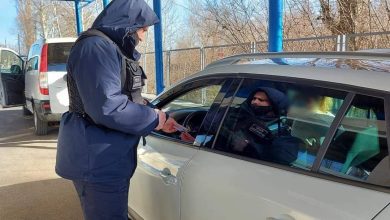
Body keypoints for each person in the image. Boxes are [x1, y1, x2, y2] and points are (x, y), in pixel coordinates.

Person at [55, 0, 178, 219]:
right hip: (96, 161)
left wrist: (161, 118)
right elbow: (108, 107)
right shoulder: (96, 48)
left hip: (105, 157)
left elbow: (127, 97)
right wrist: (154, 118)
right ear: (127, 24)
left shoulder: (109, 49)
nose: (142, 37)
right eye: (143, 29)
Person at [225, 87, 300, 165]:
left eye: (261, 100)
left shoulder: (281, 133)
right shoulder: (237, 115)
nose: (255, 102)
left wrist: (250, 147)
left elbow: (282, 160)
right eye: (253, 98)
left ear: (274, 105)